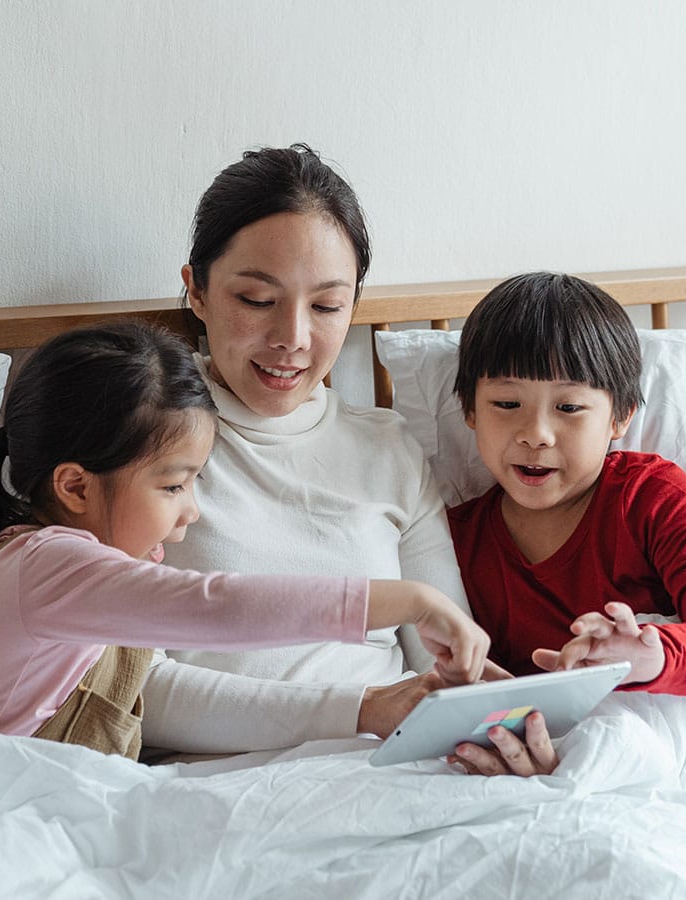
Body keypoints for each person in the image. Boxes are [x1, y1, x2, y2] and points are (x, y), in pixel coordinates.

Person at [0, 321, 490, 771]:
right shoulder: (45, 566)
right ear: (74, 485)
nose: (191, 512)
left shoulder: (76, 576)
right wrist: (408, 600)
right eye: (173, 485)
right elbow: (216, 605)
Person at [140, 144, 494, 756]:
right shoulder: (140, 446)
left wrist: (501, 721)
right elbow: (136, 695)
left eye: (328, 306)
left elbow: (447, 662)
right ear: (196, 291)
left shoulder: (388, 449)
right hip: (221, 786)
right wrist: (360, 710)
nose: (293, 339)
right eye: (256, 300)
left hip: (394, 767)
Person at [444, 272, 686, 776]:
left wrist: (651, 655)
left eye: (570, 408)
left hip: (657, 734)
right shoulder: (451, 542)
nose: (535, 435)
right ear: (469, 410)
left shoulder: (653, 499)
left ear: (620, 418)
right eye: (506, 404)